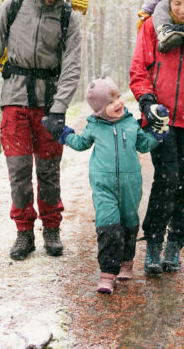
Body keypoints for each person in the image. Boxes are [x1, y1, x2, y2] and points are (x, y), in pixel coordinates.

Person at [0, 0, 82, 261]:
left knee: (49, 171)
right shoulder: (14, 6)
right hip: (14, 99)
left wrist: (60, 107)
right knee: (18, 170)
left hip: (49, 104)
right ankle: (24, 232)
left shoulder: (69, 16)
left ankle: (51, 228)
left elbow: (72, 66)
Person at [48, 77, 168, 294]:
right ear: (100, 110)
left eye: (119, 97)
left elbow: (143, 145)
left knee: (130, 223)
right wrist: (63, 134)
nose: (118, 103)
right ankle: (107, 273)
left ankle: (126, 261)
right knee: (108, 225)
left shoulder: (131, 123)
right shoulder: (94, 126)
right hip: (103, 185)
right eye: (111, 102)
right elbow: (81, 143)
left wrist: (157, 135)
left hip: (131, 184)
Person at [130, 0, 184, 275]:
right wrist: (146, 101)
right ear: (168, 2)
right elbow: (138, 70)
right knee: (166, 179)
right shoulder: (151, 28)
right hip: (162, 119)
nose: (183, 9)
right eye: (177, 3)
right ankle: (154, 242)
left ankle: (176, 241)